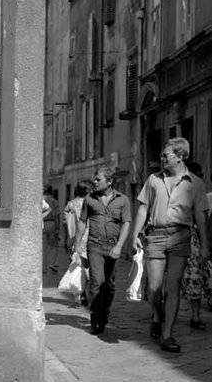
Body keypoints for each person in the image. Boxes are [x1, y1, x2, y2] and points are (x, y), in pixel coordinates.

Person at [131, 138, 210, 353]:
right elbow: (142, 209)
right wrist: (135, 234)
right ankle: (158, 316)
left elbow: (201, 217)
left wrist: (204, 245)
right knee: (153, 288)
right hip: (155, 236)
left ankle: (167, 335)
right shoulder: (153, 179)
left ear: (180, 156)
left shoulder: (196, 184)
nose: (162, 158)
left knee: (173, 286)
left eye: (166, 155)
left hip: (180, 236)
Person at [74, 165, 131, 334]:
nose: (95, 181)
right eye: (95, 179)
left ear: (109, 181)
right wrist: (77, 243)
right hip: (95, 246)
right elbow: (82, 221)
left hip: (113, 246)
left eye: (98, 179)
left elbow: (126, 223)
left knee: (109, 284)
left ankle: (104, 313)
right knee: (96, 282)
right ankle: (95, 317)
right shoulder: (89, 199)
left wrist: (119, 246)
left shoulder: (123, 200)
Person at [181, 162, 211, 329]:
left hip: (194, 240)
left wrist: (205, 244)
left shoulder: (201, 194)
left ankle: (195, 316)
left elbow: (203, 220)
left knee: (195, 278)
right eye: (199, 174)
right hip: (180, 238)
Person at [64, 180, 93, 304]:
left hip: (76, 239)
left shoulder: (71, 204)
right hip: (91, 238)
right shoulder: (92, 202)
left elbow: (67, 224)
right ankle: (87, 292)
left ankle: (79, 294)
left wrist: (67, 239)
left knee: (77, 266)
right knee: (89, 267)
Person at [43, 185, 60, 273]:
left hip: (42, 223)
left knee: (43, 246)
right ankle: (52, 264)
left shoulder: (40, 200)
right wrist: (58, 228)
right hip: (52, 223)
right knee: (53, 245)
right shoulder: (54, 201)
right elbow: (57, 216)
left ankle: (43, 267)